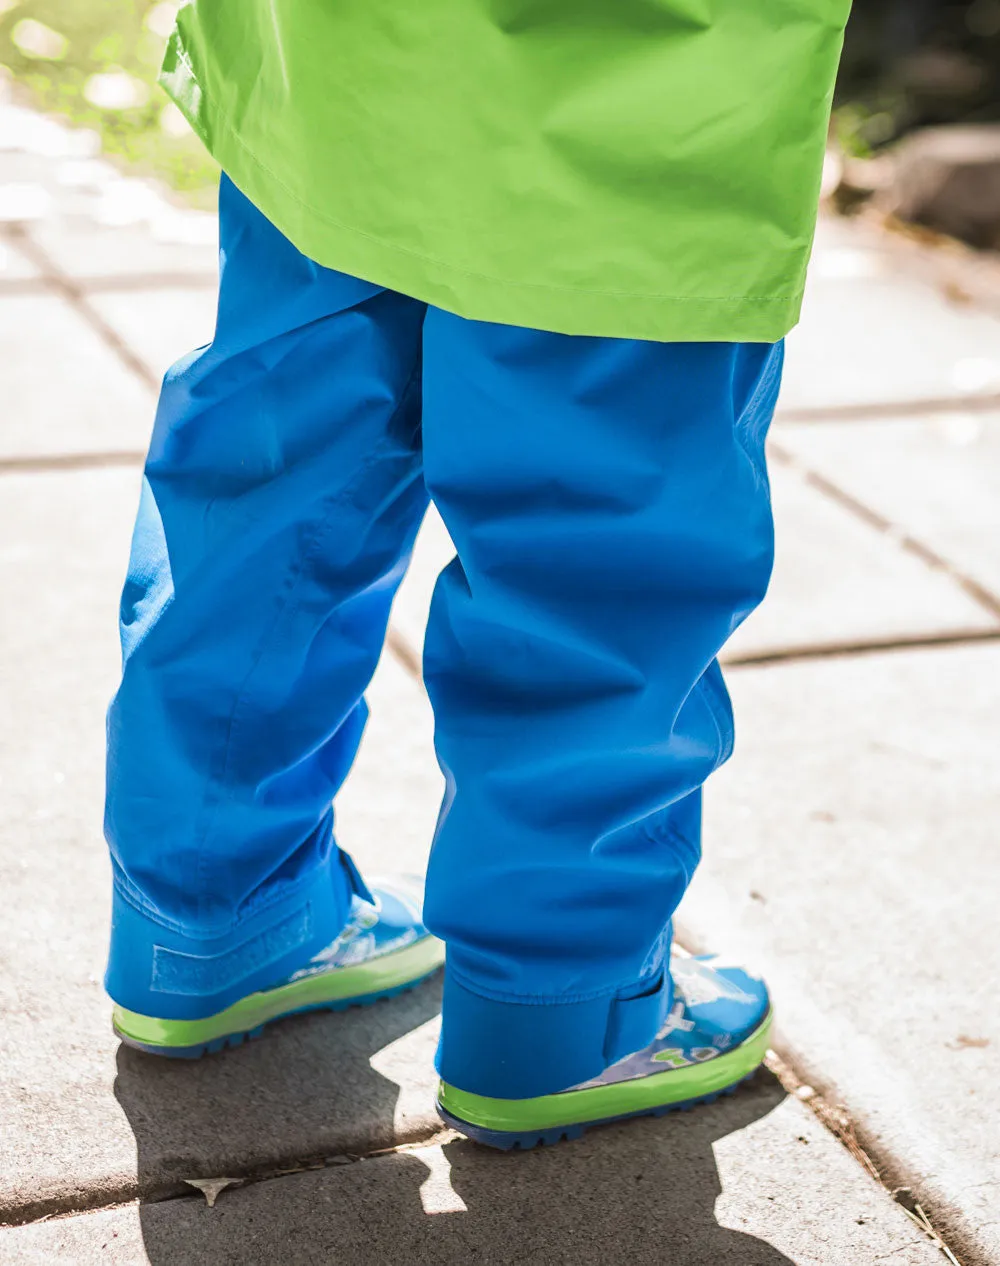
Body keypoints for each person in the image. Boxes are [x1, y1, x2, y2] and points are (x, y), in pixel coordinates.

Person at [104, 1, 851, 1148]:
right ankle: (562, 1012)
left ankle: (202, 913)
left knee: (270, 480)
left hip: (340, 63)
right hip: (630, 95)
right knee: (598, 549)